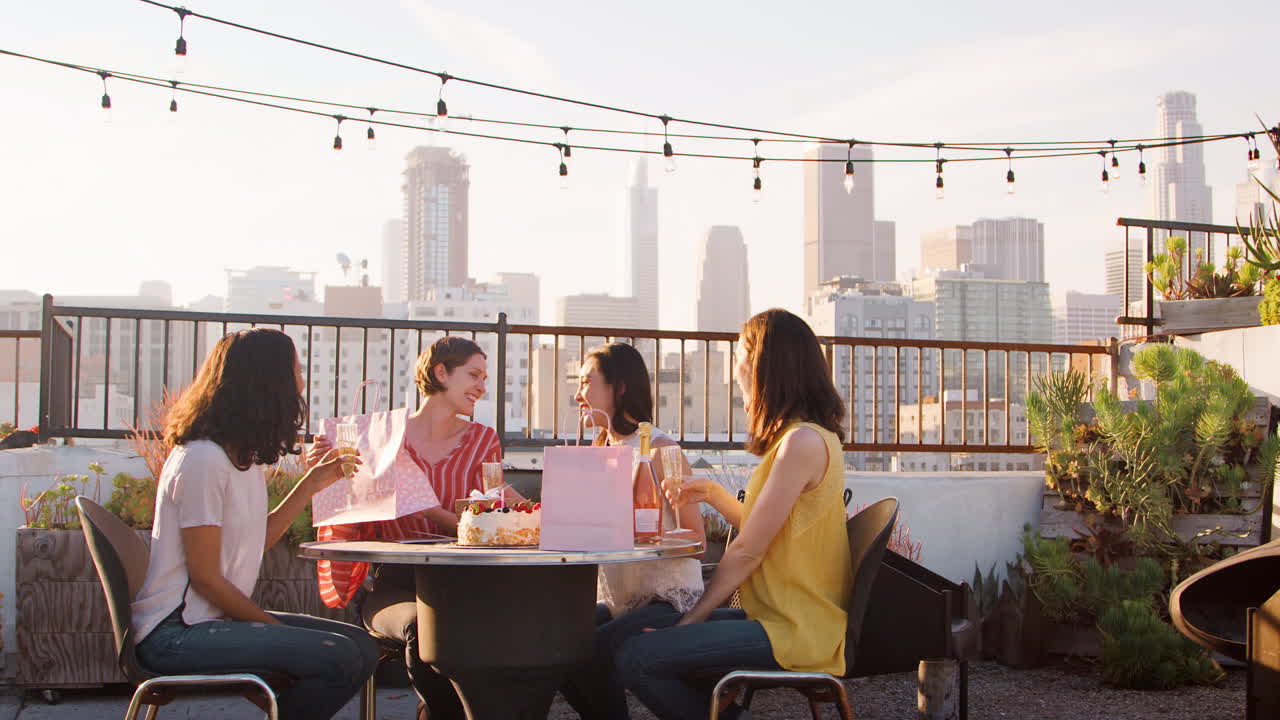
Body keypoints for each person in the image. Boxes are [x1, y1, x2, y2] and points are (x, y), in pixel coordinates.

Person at [614, 309, 852, 720]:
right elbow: (769, 530)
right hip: (777, 616)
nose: (735, 367)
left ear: (765, 365)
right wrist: (711, 493)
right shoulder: (800, 439)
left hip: (793, 629)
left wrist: (692, 621)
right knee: (631, 638)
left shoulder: (801, 443)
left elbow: (747, 551)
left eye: (741, 354)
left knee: (637, 657)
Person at [130, 328, 379, 720]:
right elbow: (206, 578)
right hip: (175, 634)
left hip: (206, 621)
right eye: (296, 371)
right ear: (267, 384)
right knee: (339, 657)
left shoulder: (240, 457)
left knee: (362, 647)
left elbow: (253, 541)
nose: (301, 382)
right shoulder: (202, 461)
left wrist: (311, 484)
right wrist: (271, 628)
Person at [316, 336, 501, 720]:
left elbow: (487, 523)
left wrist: (428, 509)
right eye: (474, 375)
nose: (483, 387)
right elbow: (350, 513)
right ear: (440, 373)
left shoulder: (484, 441)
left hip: (465, 580)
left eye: (484, 377)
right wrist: (327, 473)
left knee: (491, 630)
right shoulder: (377, 438)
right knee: (425, 629)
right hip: (395, 583)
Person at [560, 342, 706, 720]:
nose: (578, 394)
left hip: (668, 600)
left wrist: (644, 535)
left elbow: (697, 540)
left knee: (591, 650)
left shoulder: (660, 450)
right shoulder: (598, 448)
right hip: (618, 601)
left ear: (620, 387)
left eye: (586, 382)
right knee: (553, 645)